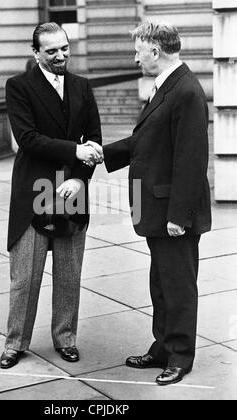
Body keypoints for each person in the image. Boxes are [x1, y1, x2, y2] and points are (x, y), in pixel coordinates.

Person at [88, 21, 211, 385]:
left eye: (138, 51)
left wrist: (179, 216)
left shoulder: (186, 91)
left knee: (178, 286)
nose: (135, 58)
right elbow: (147, 141)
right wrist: (102, 154)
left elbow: (191, 160)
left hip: (173, 213)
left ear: (155, 52)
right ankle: (162, 347)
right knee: (161, 282)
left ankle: (180, 356)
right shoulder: (168, 87)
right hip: (155, 208)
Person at [0, 22, 102, 369]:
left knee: (69, 273)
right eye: (52, 51)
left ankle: (65, 339)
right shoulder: (18, 87)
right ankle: (15, 343)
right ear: (36, 53)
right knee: (25, 277)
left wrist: (79, 181)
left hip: (72, 192)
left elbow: (95, 143)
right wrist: (75, 153)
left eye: (64, 48)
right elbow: (27, 138)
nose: (61, 56)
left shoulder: (82, 87)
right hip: (33, 194)